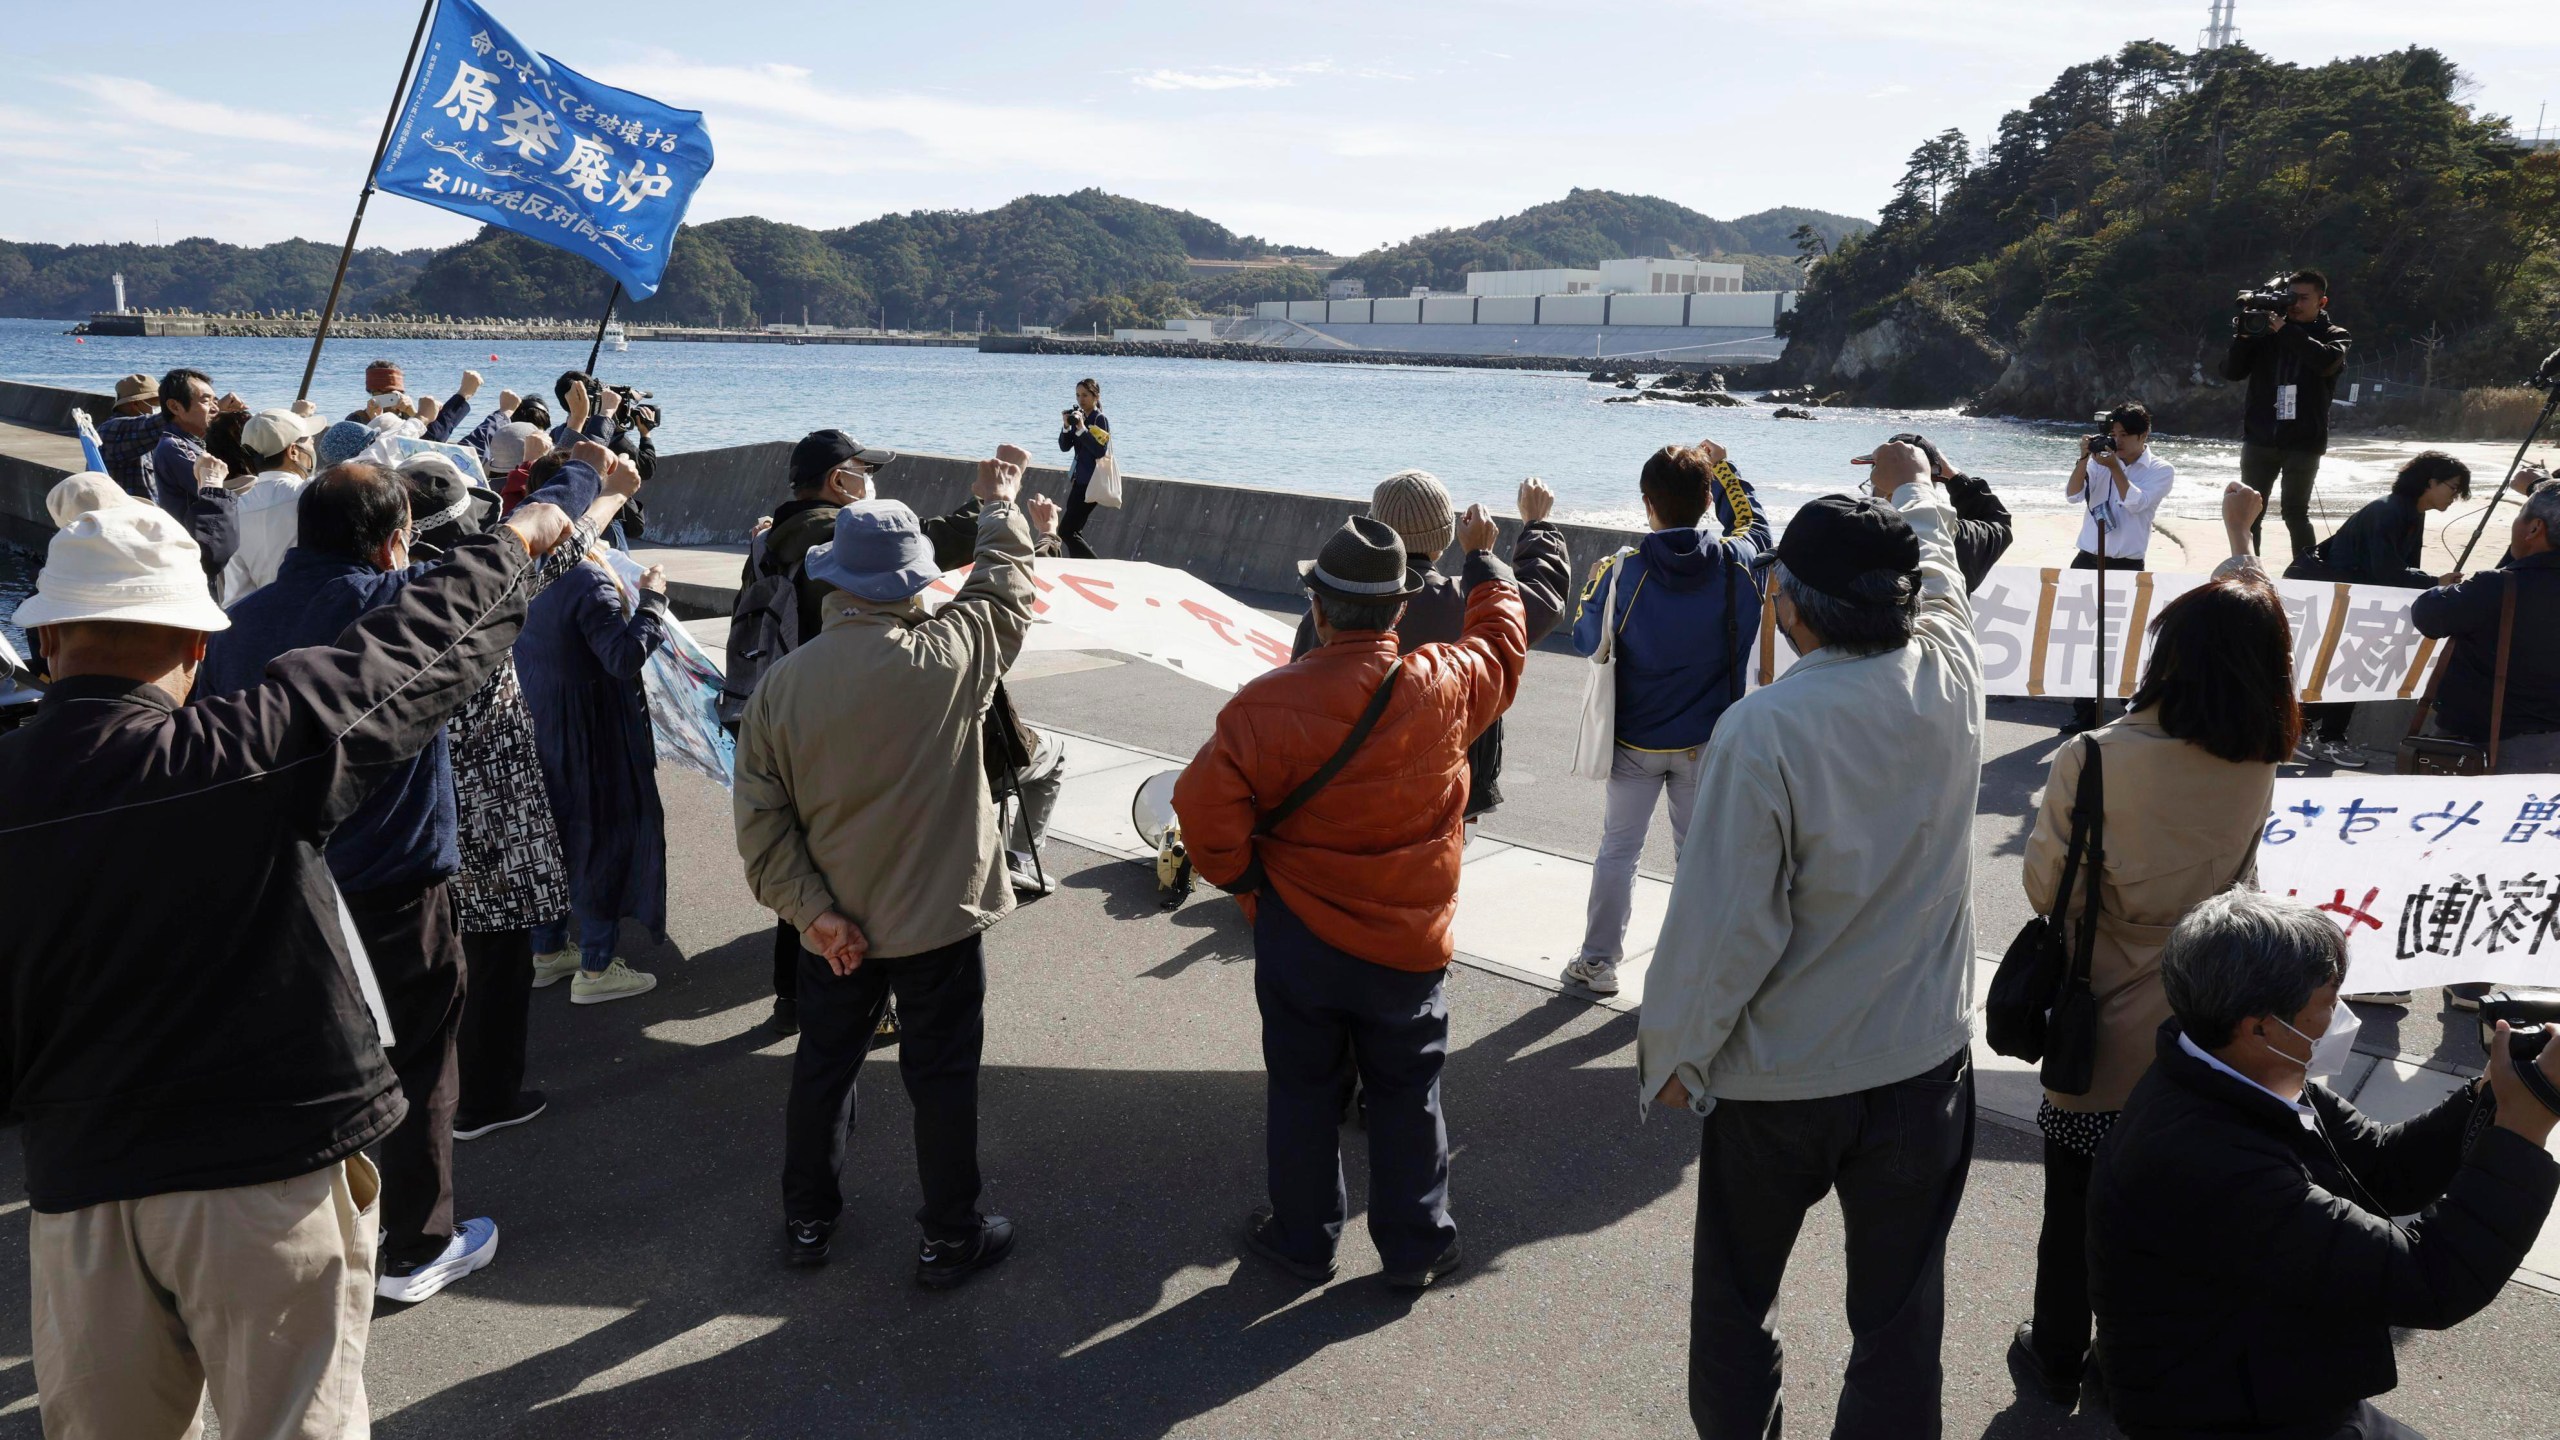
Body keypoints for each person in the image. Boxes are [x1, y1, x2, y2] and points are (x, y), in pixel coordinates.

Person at [0, 471, 583, 1437]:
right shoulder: (243, 755)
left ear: (48, 642)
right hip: (268, 1174)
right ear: (194, 645)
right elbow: (409, 649)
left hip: (81, 1195)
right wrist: (519, 538)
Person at [198, 453, 634, 1303]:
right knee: (421, 1061)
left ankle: (316, 1228)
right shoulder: (403, 606)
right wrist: (590, 476)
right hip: (395, 883)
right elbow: (528, 551)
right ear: (396, 543)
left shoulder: (234, 626)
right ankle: (415, 1246)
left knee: (314, 1061)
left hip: (282, 885)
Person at [1639, 440, 1982, 1437]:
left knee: (1738, 1305)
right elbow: (1941, 564)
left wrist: (1676, 1052)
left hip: (1776, 1081)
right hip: (1921, 1065)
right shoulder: (1951, 677)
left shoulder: (1766, 727)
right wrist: (1915, 482)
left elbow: (1725, 928)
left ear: (1787, 603)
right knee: (1898, 1323)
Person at [1175, 508, 1529, 1292]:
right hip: (1410, 940)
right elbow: (1503, 648)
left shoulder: (1263, 705)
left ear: (1318, 607)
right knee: (1409, 1090)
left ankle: (1304, 1243)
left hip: (1301, 935)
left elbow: (1202, 815)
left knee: (1304, 1090)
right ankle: (1418, 1247)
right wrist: (1487, 567)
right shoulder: (1444, 684)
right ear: (1399, 609)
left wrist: (1246, 885)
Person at [2010, 483, 2299, 1410]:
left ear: (2169, 655)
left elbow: (2046, 890)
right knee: (2175, 1216)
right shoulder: (2258, 764)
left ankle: (2058, 1353)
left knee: (2075, 1207)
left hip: (2099, 1024)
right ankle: (2141, 1369)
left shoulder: (2096, 756)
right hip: (2206, 1031)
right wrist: (2240, 538)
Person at [2090, 890, 2560, 1440]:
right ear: (2260, 1026)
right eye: (2329, 1000)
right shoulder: (2208, 1161)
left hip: (2265, 1370)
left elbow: (2382, 1168)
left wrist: (2490, 1093)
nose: (2341, 1014)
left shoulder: (2227, 1071)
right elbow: (2432, 1281)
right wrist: (2525, 1128)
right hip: (2230, 1414)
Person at [733, 453, 1039, 1286]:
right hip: (940, 919)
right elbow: (1007, 588)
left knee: (824, 1069)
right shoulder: (951, 655)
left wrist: (813, 913)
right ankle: (949, 1235)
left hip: (834, 925)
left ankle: (806, 1222)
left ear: (835, 582)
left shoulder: (782, 688)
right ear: (912, 583)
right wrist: (999, 506)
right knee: (942, 1080)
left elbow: (761, 825)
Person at [402, 462, 574, 1142]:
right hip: (494, 811)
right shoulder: (484, 598)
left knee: (448, 956)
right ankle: (486, 1100)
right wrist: (608, 486)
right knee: (500, 963)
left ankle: (447, 1091)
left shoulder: (388, 593)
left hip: (422, 809)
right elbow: (565, 543)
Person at [1562, 441, 1767, 996]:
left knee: (1618, 851)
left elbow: (1586, 637)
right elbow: (1757, 526)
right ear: (1707, 501)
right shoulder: (1738, 564)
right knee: (1697, 858)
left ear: (1647, 502)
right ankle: (1692, 969)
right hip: (1708, 741)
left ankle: (1598, 961)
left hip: (1633, 742)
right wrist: (1725, 468)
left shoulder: (1621, 572)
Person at [736, 428, 901, 1034]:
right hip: (830, 717)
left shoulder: (771, 536)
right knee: (846, 862)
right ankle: (853, 1005)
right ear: (839, 480)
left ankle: (792, 992)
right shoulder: (828, 539)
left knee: (797, 849)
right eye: (863, 470)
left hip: (777, 710)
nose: (870, 481)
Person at [1287, 470, 1569, 822]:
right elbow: (1538, 604)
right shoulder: (1467, 602)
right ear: (1445, 537)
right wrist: (1531, 528)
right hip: (1446, 793)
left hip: (1341, 791)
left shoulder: (1329, 613)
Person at [517, 460, 673, 1004]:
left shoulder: (521, 565)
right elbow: (623, 657)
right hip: (592, 729)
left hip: (540, 716)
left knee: (554, 836)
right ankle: (597, 967)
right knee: (600, 838)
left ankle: (546, 950)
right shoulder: (584, 578)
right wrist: (652, 601)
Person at [2285, 452, 2471, 768]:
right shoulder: (2390, 511)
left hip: (2352, 594)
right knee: (2346, 665)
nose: (2455, 497)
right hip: (2330, 592)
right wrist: (2432, 582)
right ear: (2431, 482)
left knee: (2351, 665)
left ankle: (2318, 736)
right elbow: (2387, 571)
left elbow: (2402, 568)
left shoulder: (2411, 511)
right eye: (2453, 488)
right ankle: (2310, 735)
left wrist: (2427, 584)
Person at [2409, 477, 2560, 773]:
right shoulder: (2503, 585)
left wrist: (2439, 587)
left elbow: (2428, 615)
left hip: (2495, 748)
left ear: (2534, 528)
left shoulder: (2496, 588)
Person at [2223, 269, 2352, 561]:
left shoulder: (2335, 336)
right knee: (2250, 512)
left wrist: (2284, 329)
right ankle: (2248, 573)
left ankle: (2304, 572)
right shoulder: (2265, 334)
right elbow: (2231, 372)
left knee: (2295, 513)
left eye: (2303, 298)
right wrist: (2244, 337)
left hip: (2304, 441)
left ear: (2322, 301)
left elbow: (2325, 362)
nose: (2295, 304)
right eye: (2290, 297)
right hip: (2260, 437)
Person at [2063, 403, 2174, 731]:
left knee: (2123, 639)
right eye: (2113, 434)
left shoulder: (2160, 469)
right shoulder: (2099, 461)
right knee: (2081, 636)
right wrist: (2085, 459)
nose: (2118, 441)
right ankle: (2082, 714)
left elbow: (2137, 503)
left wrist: (2114, 469)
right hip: (2087, 558)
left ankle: (2129, 710)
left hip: (2126, 564)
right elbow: (2071, 494)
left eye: (2125, 435)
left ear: (2145, 435)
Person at [136, 368, 243, 590]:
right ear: (175, 407)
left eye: (215, 400)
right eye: (206, 401)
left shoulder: (191, 443)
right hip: (196, 558)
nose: (215, 408)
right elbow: (223, 493)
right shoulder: (175, 448)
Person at [222, 407, 327, 601]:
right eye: (310, 441)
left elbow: (237, 594)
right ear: (293, 451)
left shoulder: (235, 511)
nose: (313, 447)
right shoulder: (313, 494)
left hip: (267, 619)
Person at [1055, 377, 1111, 558]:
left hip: (1092, 482)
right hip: (1079, 481)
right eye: (1078, 395)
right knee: (1073, 531)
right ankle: (1080, 566)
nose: (1081, 399)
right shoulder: (1080, 417)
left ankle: (1096, 566)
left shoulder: (1099, 419)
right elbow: (1065, 447)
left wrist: (1081, 429)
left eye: (1085, 395)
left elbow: (1100, 451)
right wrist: (1066, 426)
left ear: (1096, 396)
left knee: (1066, 531)